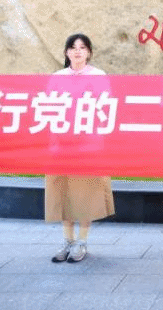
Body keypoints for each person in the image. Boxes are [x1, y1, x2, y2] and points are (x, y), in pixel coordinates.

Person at [46, 34, 115, 264]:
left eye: (82, 47)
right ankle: (67, 239)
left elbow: (106, 107)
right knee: (63, 190)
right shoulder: (57, 77)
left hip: (89, 143)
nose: (77, 51)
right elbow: (49, 108)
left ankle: (82, 241)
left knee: (86, 191)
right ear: (66, 52)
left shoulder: (99, 76)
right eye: (73, 48)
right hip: (61, 143)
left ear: (89, 52)